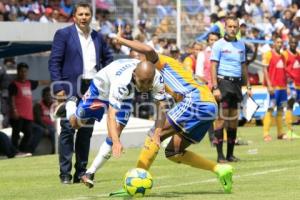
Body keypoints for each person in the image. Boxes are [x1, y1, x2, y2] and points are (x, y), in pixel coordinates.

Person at [109, 26, 233, 196]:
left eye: (138, 58)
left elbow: (148, 49)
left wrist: (120, 40)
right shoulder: (159, 76)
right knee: (174, 152)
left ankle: (133, 182)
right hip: (209, 105)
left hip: (195, 100)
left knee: (154, 133)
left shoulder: (158, 62)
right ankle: (219, 169)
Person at [54, 58, 166, 188]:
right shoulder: (122, 81)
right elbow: (111, 116)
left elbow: (162, 108)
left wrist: (157, 134)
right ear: (135, 75)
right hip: (101, 88)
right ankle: (71, 103)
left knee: (115, 133)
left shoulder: (157, 78)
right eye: (143, 82)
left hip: (126, 94)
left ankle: (90, 173)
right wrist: (117, 142)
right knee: (76, 124)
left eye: (149, 82)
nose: (146, 86)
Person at [48, 2, 113, 184]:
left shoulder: (98, 37)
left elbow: (108, 59)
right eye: (81, 14)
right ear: (74, 17)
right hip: (70, 87)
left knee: (86, 131)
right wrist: (59, 86)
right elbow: (54, 62)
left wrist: (105, 79)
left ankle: (81, 173)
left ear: (91, 16)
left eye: (87, 14)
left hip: (93, 88)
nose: (84, 17)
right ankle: (65, 174)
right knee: (68, 129)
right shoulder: (63, 34)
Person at [210, 16, 251, 163]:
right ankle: (220, 156)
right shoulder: (218, 45)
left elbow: (244, 67)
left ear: (238, 28)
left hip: (237, 85)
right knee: (221, 120)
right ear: (225, 27)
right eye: (230, 26)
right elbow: (213, 66)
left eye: (235, 27)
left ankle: (230, 155)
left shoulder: (241, 45)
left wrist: (248, 85)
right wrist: (215, 87)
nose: (233, 29)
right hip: (223, 83)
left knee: (233, 120)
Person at [8, 62, 49, 153]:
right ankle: (13, 152)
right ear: (18, 72)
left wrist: (54, 81)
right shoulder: (14, 84)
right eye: (21, 71)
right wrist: (14, 110)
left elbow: (41, 82)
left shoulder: (29, 83)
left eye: (25, 71)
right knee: (16, 134)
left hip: (28, 116)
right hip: (17, 115)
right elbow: (11, 99)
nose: (23, 73)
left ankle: (22, 150)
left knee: (28, 134)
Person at [195, 32, 220, 145]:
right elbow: (198, 74)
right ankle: (213, 138)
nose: (213, 42)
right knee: (211, 114)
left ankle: (221, 137)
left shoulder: (223, 54)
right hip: (208, 88)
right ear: (208, 41)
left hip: (222, 86)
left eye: (215, 40)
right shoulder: (202, 54)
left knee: (223, 114)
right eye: (211, 40)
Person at [262, 35, 288, 142]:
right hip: (274, 88)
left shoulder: (282, 56)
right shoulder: (268, 54)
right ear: (273, 43)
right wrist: (269, 84)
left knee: (281, 110)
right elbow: (264, 69)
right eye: (278, 42)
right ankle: (266, 134)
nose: (280, 44)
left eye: (281, 42)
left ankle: (280, 133)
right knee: (270, 109)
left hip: (283, 88)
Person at [282, 36, 300, 139]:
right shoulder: (285, 54)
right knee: (289, 105)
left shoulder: (298, 54)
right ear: (289, 43)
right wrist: (286, 86)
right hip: (290, 85)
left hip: (298, 84)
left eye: (295, 43)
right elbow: (282, 70)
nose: (293, 44)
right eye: (292, 43)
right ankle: (288, 130)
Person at [30, 87, 56, 154]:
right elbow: (38, 119)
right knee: (51, 131)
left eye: (51, 95)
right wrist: (46, 128)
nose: (49, 97)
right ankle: (30, 151)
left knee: (55, 130)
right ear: (43, 96)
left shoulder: (54, 105)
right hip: (41, 125)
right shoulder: (38, 105)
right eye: (47, 95)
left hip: (51, 126)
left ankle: (56, 151)